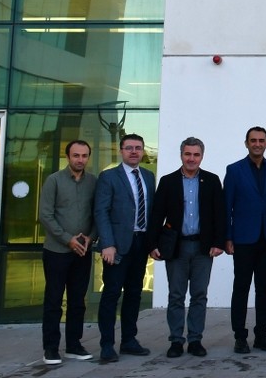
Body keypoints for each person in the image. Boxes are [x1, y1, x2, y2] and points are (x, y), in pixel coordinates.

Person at [147, 137, 226, 358]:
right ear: (181, 155)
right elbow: (156, 215)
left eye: (196, 154)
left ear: (202, 156)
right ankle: (175, 340)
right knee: (176, 295)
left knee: (199, 295)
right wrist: (152, 244)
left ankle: (195, 340)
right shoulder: (168, 181)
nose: (191, 159)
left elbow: (220, 214)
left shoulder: (212, 180)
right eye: (187, 154)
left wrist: (219, 242)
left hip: (203, 248)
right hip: (176, 247)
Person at [94, 133, 156, 364]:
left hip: (140, 243)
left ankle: (129, 340)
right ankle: (107, 345)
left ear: (143, 151)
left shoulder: (148, 176)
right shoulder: (109, 177)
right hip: (117, 245)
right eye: (129, 148)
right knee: (111, 294)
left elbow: (152, 211)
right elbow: (101, 211)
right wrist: (107, 244)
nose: (134, 152)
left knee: (134, 293)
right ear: (121, 150)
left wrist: (153, 243)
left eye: (138, 148)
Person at [224, 125, 266, 354]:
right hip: (243, 239)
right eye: (253, 140)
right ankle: (240, 336)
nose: (257, 144)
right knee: (241, 287)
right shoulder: (234, 170)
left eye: (261, 140)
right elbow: (226, 206)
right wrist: (228, 237)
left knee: (263, 289)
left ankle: (261, 335)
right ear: (246, 143)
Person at [39, 140, 98, 364]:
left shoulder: (93, 182)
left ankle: (74, 345)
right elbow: (46, 215)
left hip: (82, 251)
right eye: (76, 155)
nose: (80, 160)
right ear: (68, 157)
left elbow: (98, 213)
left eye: (84, 156)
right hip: (56, 251)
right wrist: (67, 239)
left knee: (77, 301)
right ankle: (51, 348)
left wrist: (91, 237)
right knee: (54, 301)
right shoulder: (54, 180)